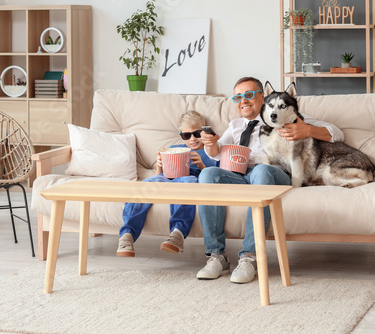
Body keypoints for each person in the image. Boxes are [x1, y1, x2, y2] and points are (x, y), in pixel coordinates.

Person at [196, 77, 344, 283]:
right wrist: (210, 143)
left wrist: (307, 130)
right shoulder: (235, 125)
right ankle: (215, 256)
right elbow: (217, 153)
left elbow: (337, 133)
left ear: (263, 97)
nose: (243, 101)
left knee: (262, 171)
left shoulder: (285, 114)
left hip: (272, 175)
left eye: (249, 95)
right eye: (238, 97)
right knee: (207, 174)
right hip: (241, 175)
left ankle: (249, 256)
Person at [117, 110, 218, 257]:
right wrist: (159, 165)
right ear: (181, 135)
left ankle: (177, 234)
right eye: (186, 135)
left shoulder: (211, 152)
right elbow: (159, 176)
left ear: (203, 132)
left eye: (196, 134)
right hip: (167, 177)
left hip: (190, 178)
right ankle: (127, 235)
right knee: (145, 185)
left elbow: (213, 177)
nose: (192, 139)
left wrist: (201, 165)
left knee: (188, 182)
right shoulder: (176, 148)